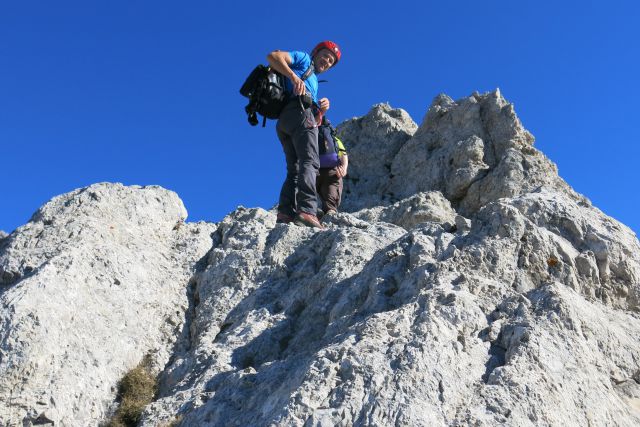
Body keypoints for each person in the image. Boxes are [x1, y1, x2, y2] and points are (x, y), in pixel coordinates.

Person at [266, 41, 341, 228]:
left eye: (331, 61)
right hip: (299, 113)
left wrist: (321, 111)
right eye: (325, 55)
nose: (327, 61)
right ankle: (307, 210)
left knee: (295, 169)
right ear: (315, 52)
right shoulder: (304, 59)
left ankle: (285, 212)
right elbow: (273, 56)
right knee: (311, 161)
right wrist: (293, 77)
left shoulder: (312, 78)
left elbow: (315, 120)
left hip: (285, 121)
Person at [316, 116, 348, 217]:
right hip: (332, 170)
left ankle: (308, 212)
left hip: (313, 171)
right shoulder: (334, 139)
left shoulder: (310, 135)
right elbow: (343, 154)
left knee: (309, 193)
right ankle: (330, 212)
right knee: (331, 193)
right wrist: (344, 168)